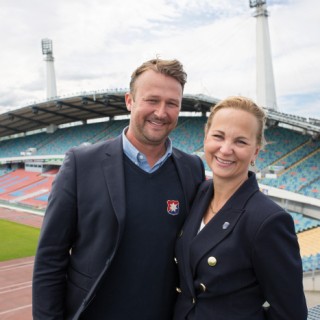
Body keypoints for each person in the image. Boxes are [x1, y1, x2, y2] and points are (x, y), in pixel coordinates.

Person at [32, 58, 205, 320]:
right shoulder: (81, 164)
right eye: (152, 100)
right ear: (130, 101)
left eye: (172, 104)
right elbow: (50, 259)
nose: (161, 112)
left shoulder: (192, 169)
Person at [173, 96, 308, 320]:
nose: (225, 150)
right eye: (218, 136)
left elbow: (290, 314)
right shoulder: (197, 194)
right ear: (205, 138)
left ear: (255, 152)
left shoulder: (268, 220)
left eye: (240, 142)